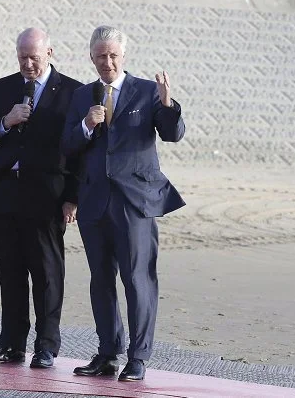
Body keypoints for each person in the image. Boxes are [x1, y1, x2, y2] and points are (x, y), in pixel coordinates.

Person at [61, 25, 186, 381]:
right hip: (94, 202)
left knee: (136, 279)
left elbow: (172, 133)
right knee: (101, 280)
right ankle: (107, 353)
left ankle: (138, 357)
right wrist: (86, 124)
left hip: (135, 203)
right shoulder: (83, 95)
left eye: (113, 55)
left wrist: (167, 104)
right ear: (92, 58)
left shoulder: (146, 91)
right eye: (101, 56)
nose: (107, 62)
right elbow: (68, 146)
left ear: (124, 56)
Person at [0, 28, 82, 369]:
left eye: (34, 57)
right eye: (22, 58)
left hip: (47, 195)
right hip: (4, 191)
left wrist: (72, 198)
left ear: (50, 52)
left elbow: (81, 151)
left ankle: (46, 346)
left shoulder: (73, 92)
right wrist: (6, 121)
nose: (28, 64)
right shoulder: (2, 87)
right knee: (10, 271)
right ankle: (11, 345)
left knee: (47, 274)